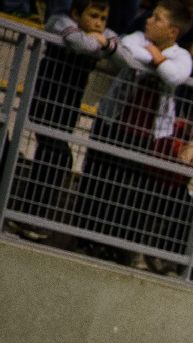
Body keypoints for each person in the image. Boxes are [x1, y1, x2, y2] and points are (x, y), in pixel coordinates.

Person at [75, 0, 193, 264]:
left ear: (172, 32)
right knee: (96, 181)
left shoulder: (182, 55)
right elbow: (127, 52)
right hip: (112, 122)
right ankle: (84, 239)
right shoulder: (137, 37)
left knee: (126, 193)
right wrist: (156, 57)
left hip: (146, 137)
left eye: (158, 18)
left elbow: (175, 76)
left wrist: (156, 57)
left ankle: (114, 247)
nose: (149, 20)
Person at [12, 0, 130, 238]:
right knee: (58, 156)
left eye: (103, 19)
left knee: (56, 156)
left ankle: (27, 215)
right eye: (93, 16)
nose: (98, 23)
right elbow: (79, 43)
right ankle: (26, 215)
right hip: (46, 99)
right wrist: (103, 45)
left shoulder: (102, 35)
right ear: (76, 13)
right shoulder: (60, 22)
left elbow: (126, 59)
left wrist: (105, 42)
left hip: (69, 107)